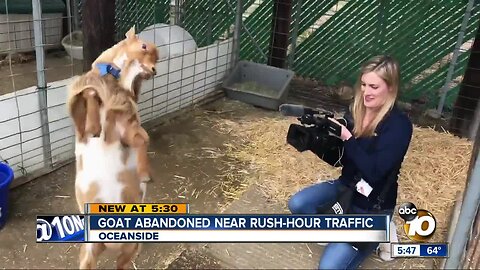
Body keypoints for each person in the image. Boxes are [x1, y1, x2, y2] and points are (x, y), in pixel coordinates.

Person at [288, 55, 413, 269]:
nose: (366, 91)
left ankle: (381, 233)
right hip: (346, 187)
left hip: (372, 204)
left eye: (374, 86)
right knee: (298, 204)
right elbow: (342, 160)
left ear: (390, 88)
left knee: (329, 267)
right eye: (364, 84)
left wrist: (348, 138)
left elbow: (374, 172)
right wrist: (317, 142)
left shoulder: (399, 126)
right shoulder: (357, 109)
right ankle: (339, 229)